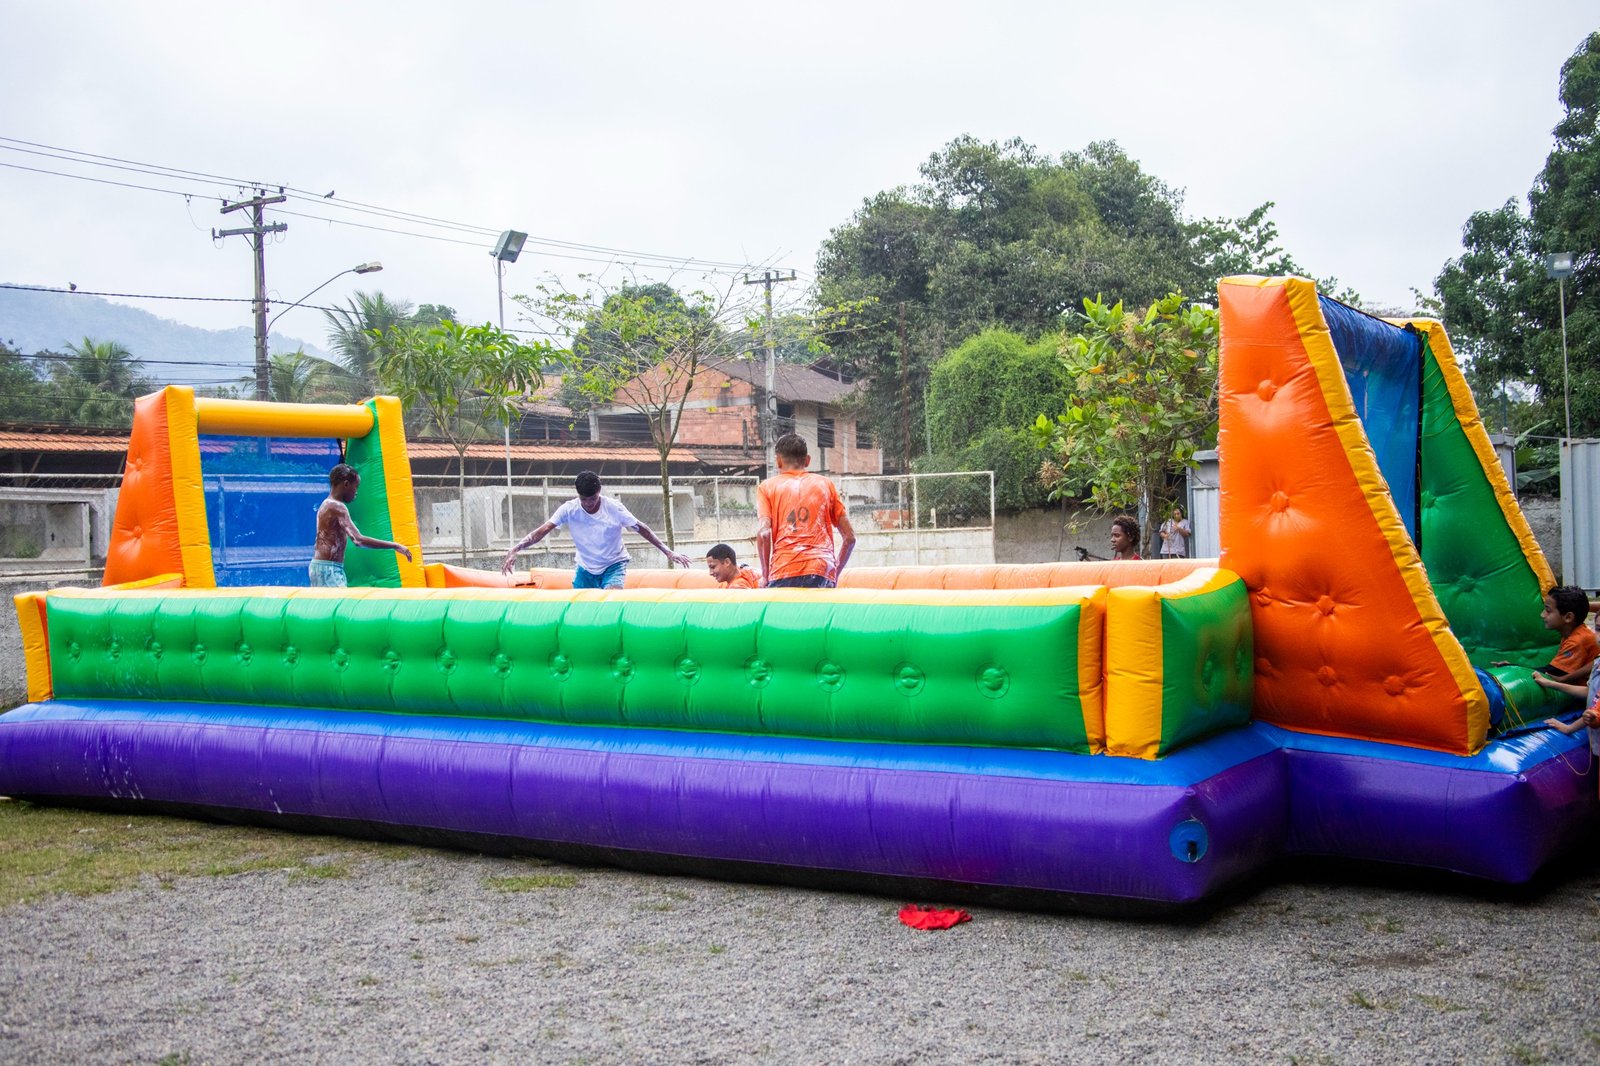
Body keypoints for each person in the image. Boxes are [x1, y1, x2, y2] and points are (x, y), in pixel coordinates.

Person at [500, 470, 691, 588]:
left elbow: (642, 528)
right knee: (582, 609)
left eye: (593, 499)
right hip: (586, 568)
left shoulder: (613, 508)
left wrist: (668, 551)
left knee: (610, 602)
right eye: (584, 499)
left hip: (614, 564)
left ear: (599, 492)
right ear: (578, 496)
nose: (589, 503)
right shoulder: (569, 509)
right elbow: (543, 530)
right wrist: (516, 548)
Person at [757, 433, 856, 588]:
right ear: (808, 460)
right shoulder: (826, 485)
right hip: (821, 568)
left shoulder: (767, 487)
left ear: (778, 461)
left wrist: (765, 575)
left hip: (785, 568)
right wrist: (834, 574)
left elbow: (764, 534)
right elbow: (850, 538)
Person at [310, 463, 413, 587]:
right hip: (329, 569)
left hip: (320, 566)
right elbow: (358, 540)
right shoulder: (337, 507)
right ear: (346, 484)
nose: (356, 492)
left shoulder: (326, 504)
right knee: (342, 605)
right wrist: (394, 545)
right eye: (356, 487)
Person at [1492, 585, 1598, 683]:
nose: (1542, 615)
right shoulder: (1573, 632)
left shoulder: (1578, 640)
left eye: (1548, 611)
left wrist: (1514, 667)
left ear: (1568, 617)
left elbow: (1552, 672)